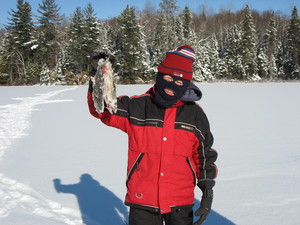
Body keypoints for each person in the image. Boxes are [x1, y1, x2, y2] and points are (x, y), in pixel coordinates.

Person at [87, 45, 218, 225]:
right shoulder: (137, 107)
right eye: (167, 78)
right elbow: (102, 110)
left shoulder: (195, 115)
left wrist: (207, 190)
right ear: (159, 76)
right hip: (142, 200)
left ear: (187, 84)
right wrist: (98, 75)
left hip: (180, 201)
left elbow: (204, 155)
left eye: (179, 82)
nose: (172, 86)